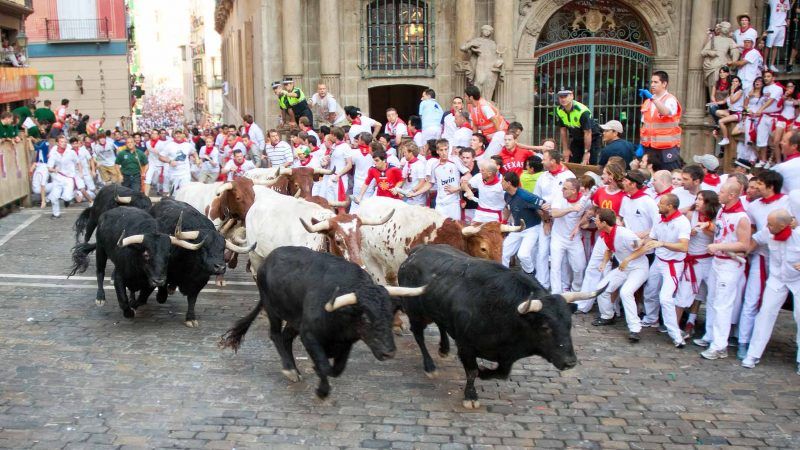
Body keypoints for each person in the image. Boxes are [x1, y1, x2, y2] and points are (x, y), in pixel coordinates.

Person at [694, 181, 752, 360]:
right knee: (712, 299)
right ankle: (710, 335)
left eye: (722, 192)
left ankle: (720, 345)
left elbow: (744, 244)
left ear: (732, 195)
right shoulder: (722, 211)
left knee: (723, 304)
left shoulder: (742, 217)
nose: (719, 194)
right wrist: (708, 228)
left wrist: (720, 246)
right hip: (717, 261)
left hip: (730, 264)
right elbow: (720, 231)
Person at [736, 170, 789, 359]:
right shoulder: (754, 207)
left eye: (759, 183)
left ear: (770, 185)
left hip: (787, 261)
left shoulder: (787, 203)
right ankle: (744, 341)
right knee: (752, 298)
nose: (755, 186)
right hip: (760, 256)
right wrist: (744, 251)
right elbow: (753, 234)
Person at [741, 209, 800, 372]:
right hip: (777, 278)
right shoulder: (768, 232)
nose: (767, 226)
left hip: (797, 279)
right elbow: (755, 240)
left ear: (782, 225)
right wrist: (744, 251)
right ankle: (753, 353)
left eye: (771, 224)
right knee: (765, 313)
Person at [639, 193, 691, 347]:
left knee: (665, 298)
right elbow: (653, 237)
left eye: (661, 203)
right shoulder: (659, 219)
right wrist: (641, 242)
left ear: (670, 206)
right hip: (659, 261)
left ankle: (675, 335)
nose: (658, 205)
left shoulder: (682, 222)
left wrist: (662, 244)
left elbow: (684, 246)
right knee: (650, 290)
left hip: (672, 265)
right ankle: (651, 318)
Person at [592, 208, 650, 342]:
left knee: (625, 292)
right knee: (601, 288)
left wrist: (627, 259)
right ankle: (607, 316)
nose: (595, 221)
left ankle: (635, 329)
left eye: (597, 219)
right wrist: (604, 262)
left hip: (638, 268)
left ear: (604, 223)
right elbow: (609, 250)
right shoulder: (606, 234)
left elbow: (642, 248)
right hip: (624, 268)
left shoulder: (625, 234)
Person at [533, 149, 575, 289]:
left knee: (561, 255)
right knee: (542, 251)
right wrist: (545, 220)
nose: (542, 161)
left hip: (563, 221)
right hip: (544, 218)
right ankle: (542, 284)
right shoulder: (542, 177)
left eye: (545, 159)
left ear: (553, 161)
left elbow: (571, 200)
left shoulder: (568, 176)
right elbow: (537, 199)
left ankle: (564, 286)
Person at [501, 171, 547, 278]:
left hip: (531, 228)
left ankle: (530, 275)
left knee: (523, 255)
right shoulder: (506, 195)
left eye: (502, 182)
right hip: (517, 228)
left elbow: (544, 204)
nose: (501, 184)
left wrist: (547, 221)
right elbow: (508, 208)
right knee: (504, 252)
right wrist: (504, 222)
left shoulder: (525, 196)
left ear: (509, 183)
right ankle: (504, 277)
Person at [548, 178, 590, 294]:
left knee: (580, 266)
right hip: (558, 237)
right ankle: (556, 293)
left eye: (565, 189)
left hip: (574, 239)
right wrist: (571, 208)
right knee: (555, 266)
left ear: (574, 191)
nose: (562, 190)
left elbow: (589, 213)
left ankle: (575, 290)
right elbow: (555, 213)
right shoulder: (559, 197)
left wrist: (581, 223)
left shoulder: (585, 200)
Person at [639, 71, 683, 171]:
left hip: (667, 148)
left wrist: (652, 99)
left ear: (664, 84)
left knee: (669, 174)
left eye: (656, 82)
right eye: (651, 82)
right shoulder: (647, 102)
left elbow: (666, 112)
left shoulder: (670, 99)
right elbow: (645, 126)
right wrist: (641, 145)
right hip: (650, 147)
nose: (652, 85)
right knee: (651, 175)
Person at [409, 139, 462, 220]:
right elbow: (430, 183)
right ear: (437, 151)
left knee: (455, 229)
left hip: (453, 203)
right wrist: (416, 193)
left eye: (446, 149)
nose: (444, 152)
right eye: (441, 150)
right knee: (439, 229)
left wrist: (457, 188)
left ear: (449, 149)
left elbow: (468, 175)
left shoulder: (455, 160)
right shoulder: (434, 165)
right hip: (440, 203)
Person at [555, 87, 602, 164]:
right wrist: (565, 149)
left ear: (572, 96)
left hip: (592, 139)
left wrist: (587, 152)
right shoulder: (559, 110)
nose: (563, 99)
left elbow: (588, 133)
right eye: (561, 97)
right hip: (577, 139)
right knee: (571, 161)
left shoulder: (582, 111)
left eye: (565, 96)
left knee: (590, 163)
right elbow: (563, 130)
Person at [465, 85, 508, 159]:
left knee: (490, 158)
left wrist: (499, 137)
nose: (464, 98)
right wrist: (474, 139)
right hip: (488, 137)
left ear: (471, 97)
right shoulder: (470, 106)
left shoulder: (484, 106)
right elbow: (475, 124)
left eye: (465, 96)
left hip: (498, 135)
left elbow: (495, 120)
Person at [47, 136, 83, 218]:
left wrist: (80, 173)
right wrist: (54, 170)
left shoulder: (71, 152)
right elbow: (49, 168)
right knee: (53, 198)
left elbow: (78, 162)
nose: (64, 143)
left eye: (65, 142)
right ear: (57, 143)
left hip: (69, 178)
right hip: (58, 178)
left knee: (66, 197)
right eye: (62, 142)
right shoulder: (53, 154)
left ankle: (70, 197)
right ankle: (56, 214)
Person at [764, 0, 791, 72]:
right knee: (768, 45)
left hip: (782, 25)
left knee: (776, 46)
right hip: (773, 25)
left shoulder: (787, 1)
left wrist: (787, 19)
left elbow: (787, 11)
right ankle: (764, 64)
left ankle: (772, 64)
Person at [29, 138, 51, 208]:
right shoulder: (40, 164)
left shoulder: (45, 143)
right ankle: (45, 199)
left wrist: (31, 140)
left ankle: (45, 199)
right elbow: (34, 149)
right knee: (56, 184)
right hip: (37, 189)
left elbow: (39, 147)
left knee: (56, 183)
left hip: (43, 166)